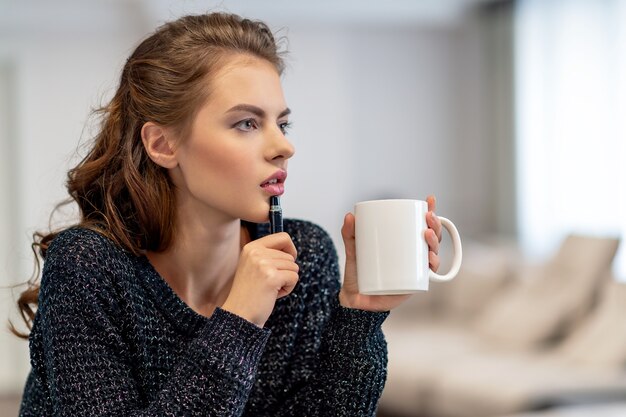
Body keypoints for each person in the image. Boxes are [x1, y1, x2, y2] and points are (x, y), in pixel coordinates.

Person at [14, 12, 443, 417]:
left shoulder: (305, 255)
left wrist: (359, 315)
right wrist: (238, 320)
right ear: (163, 145)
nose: (283, 147)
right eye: (246, 124)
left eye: (283, 124)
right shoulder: (87, 266)